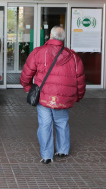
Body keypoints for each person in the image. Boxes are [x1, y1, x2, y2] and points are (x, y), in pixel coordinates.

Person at [20, 26, 86, 164]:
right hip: (63, 98)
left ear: (50, 36)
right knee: (62, 123)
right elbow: (80, 79)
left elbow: (26, 74)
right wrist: (78, 96)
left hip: (44, 97)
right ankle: (62, 150)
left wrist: (27, 87)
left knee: (45, 125)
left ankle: (47, 156)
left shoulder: (39, 52)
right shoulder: (74, 57)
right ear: (63, 38)